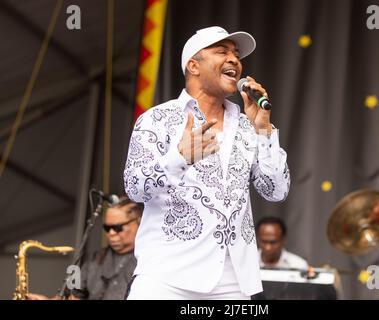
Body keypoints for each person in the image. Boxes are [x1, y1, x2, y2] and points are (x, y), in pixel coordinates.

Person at [123, 26, 290, 299]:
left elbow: (276, 191)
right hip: (166, 276)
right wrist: (179, 158)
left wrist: (264, 130)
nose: (234, 59)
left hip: (234, 280)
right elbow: (134, 187)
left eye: (236, 54)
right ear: (193, 66)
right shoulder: (158, 119)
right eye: (222, 51)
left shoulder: (248, 126)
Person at [27, 196, 143, 300]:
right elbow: (73, 295)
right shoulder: (94, 259)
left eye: (117, 227)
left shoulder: (148, 260)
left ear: (139, 222)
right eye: (107, 228)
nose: (111, 233)